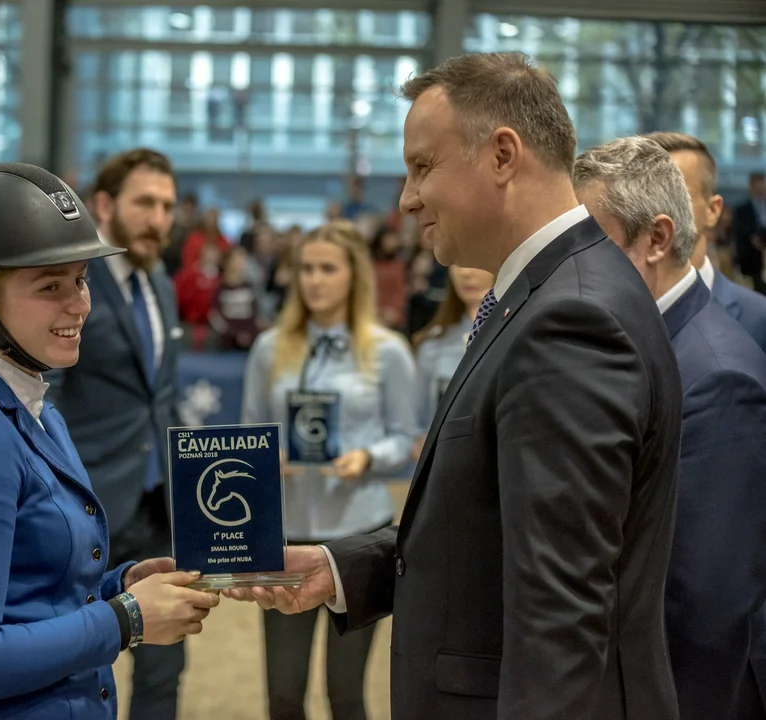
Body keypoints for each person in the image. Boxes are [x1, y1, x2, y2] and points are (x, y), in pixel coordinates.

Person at [228, 52, 685, 720]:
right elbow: (488, 528)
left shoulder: (571, 317)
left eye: (422, 166)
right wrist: (343, 567)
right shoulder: (545, 295)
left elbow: (561, 615)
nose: (407, 197)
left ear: (503, 155)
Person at [0, 163, 218, 719]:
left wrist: (121, 584)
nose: (79, 304)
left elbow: (33, 590)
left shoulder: (37, 411)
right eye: (50, 287)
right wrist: (128, 618)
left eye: (81, 280)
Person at [574, 136, 766, 720]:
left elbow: (705, 603)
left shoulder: (715, 373)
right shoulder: (652, 337)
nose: (575, 266)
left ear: (657, 239)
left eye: (592, 245)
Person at [240, 220, 421, 720]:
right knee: (282, 693)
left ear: (352, 275)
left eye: (327, 269)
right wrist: (264, 456)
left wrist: (368, 458)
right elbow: (249, 430)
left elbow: (406, 437)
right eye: (306, 269)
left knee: (346, 695)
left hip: (357, 537)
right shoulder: (268, 349)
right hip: (284, 537)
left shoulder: (387, 352)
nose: (314, 280)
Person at [43, 149, 188, 720]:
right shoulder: (72, 285)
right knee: (78, 665)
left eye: (168, 206)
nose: (159, 218)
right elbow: (44, 393)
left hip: (161, 509)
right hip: (88, 508)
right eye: (145, 203)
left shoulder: (164, 288)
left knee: (165, 669)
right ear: (104, 205)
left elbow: (162, 399)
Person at [646, 131, 766, 351]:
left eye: (675, 196)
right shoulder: (611, 311)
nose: (657, 211)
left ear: (713, 210)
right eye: (644, 197)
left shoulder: (758, 320)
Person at [409, 264, 494, 461]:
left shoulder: (517, 333)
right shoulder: (433, 345)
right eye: (458, 264)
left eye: (474, 261)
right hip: (447, 465)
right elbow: (418, 425)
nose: (466, 272)